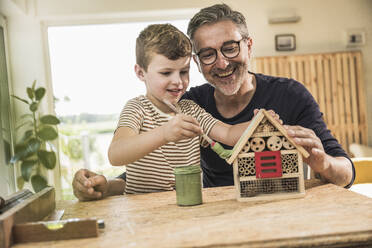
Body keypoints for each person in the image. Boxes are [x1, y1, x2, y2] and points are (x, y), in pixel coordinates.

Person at [73, 4, 354, 201]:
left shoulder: (289, 95)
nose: (221, 63)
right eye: (207, 54)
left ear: (249, 45)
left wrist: (265, 125)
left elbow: (230, 133)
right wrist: (107, 185)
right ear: (198, 61)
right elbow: (143, 164)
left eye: (230, 48)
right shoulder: (186, 101)